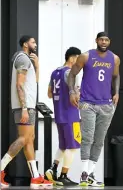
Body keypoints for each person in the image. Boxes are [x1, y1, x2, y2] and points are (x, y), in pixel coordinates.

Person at [68, 32, 120, 186]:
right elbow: (72, 74)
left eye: (106, 40)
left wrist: (116, 92)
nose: (104, 42)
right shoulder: (86, 56)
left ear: (109, 42)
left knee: (99, 140)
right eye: (101, 39)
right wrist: (72, 92)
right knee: (87, 137)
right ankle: (83, 172)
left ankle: (90, 173)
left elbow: (116, 76)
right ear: (96, 40)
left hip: (106, 104)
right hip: (87, 103)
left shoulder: (115, 58)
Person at [1, 35, 53, 188]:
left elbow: (34, 81)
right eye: (32, 42)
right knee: (24, 138)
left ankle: (36, 177)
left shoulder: (26, 60)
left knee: (30, 138)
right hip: (24, 106)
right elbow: (19, 85)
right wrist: (24, 107)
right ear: (25, 44)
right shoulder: (22, 58)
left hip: (29, 105)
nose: (35, 44)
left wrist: (37, 65)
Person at [45, 47, 81, 186]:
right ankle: (63, 175)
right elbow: (76, 96)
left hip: (59, 114)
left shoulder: (55, 72)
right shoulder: (71, 73)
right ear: (72, 58)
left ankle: (53, 169)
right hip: (70, 114)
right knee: (72, 146)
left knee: (64, 145)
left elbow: (49, 94)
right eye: (78, 59)